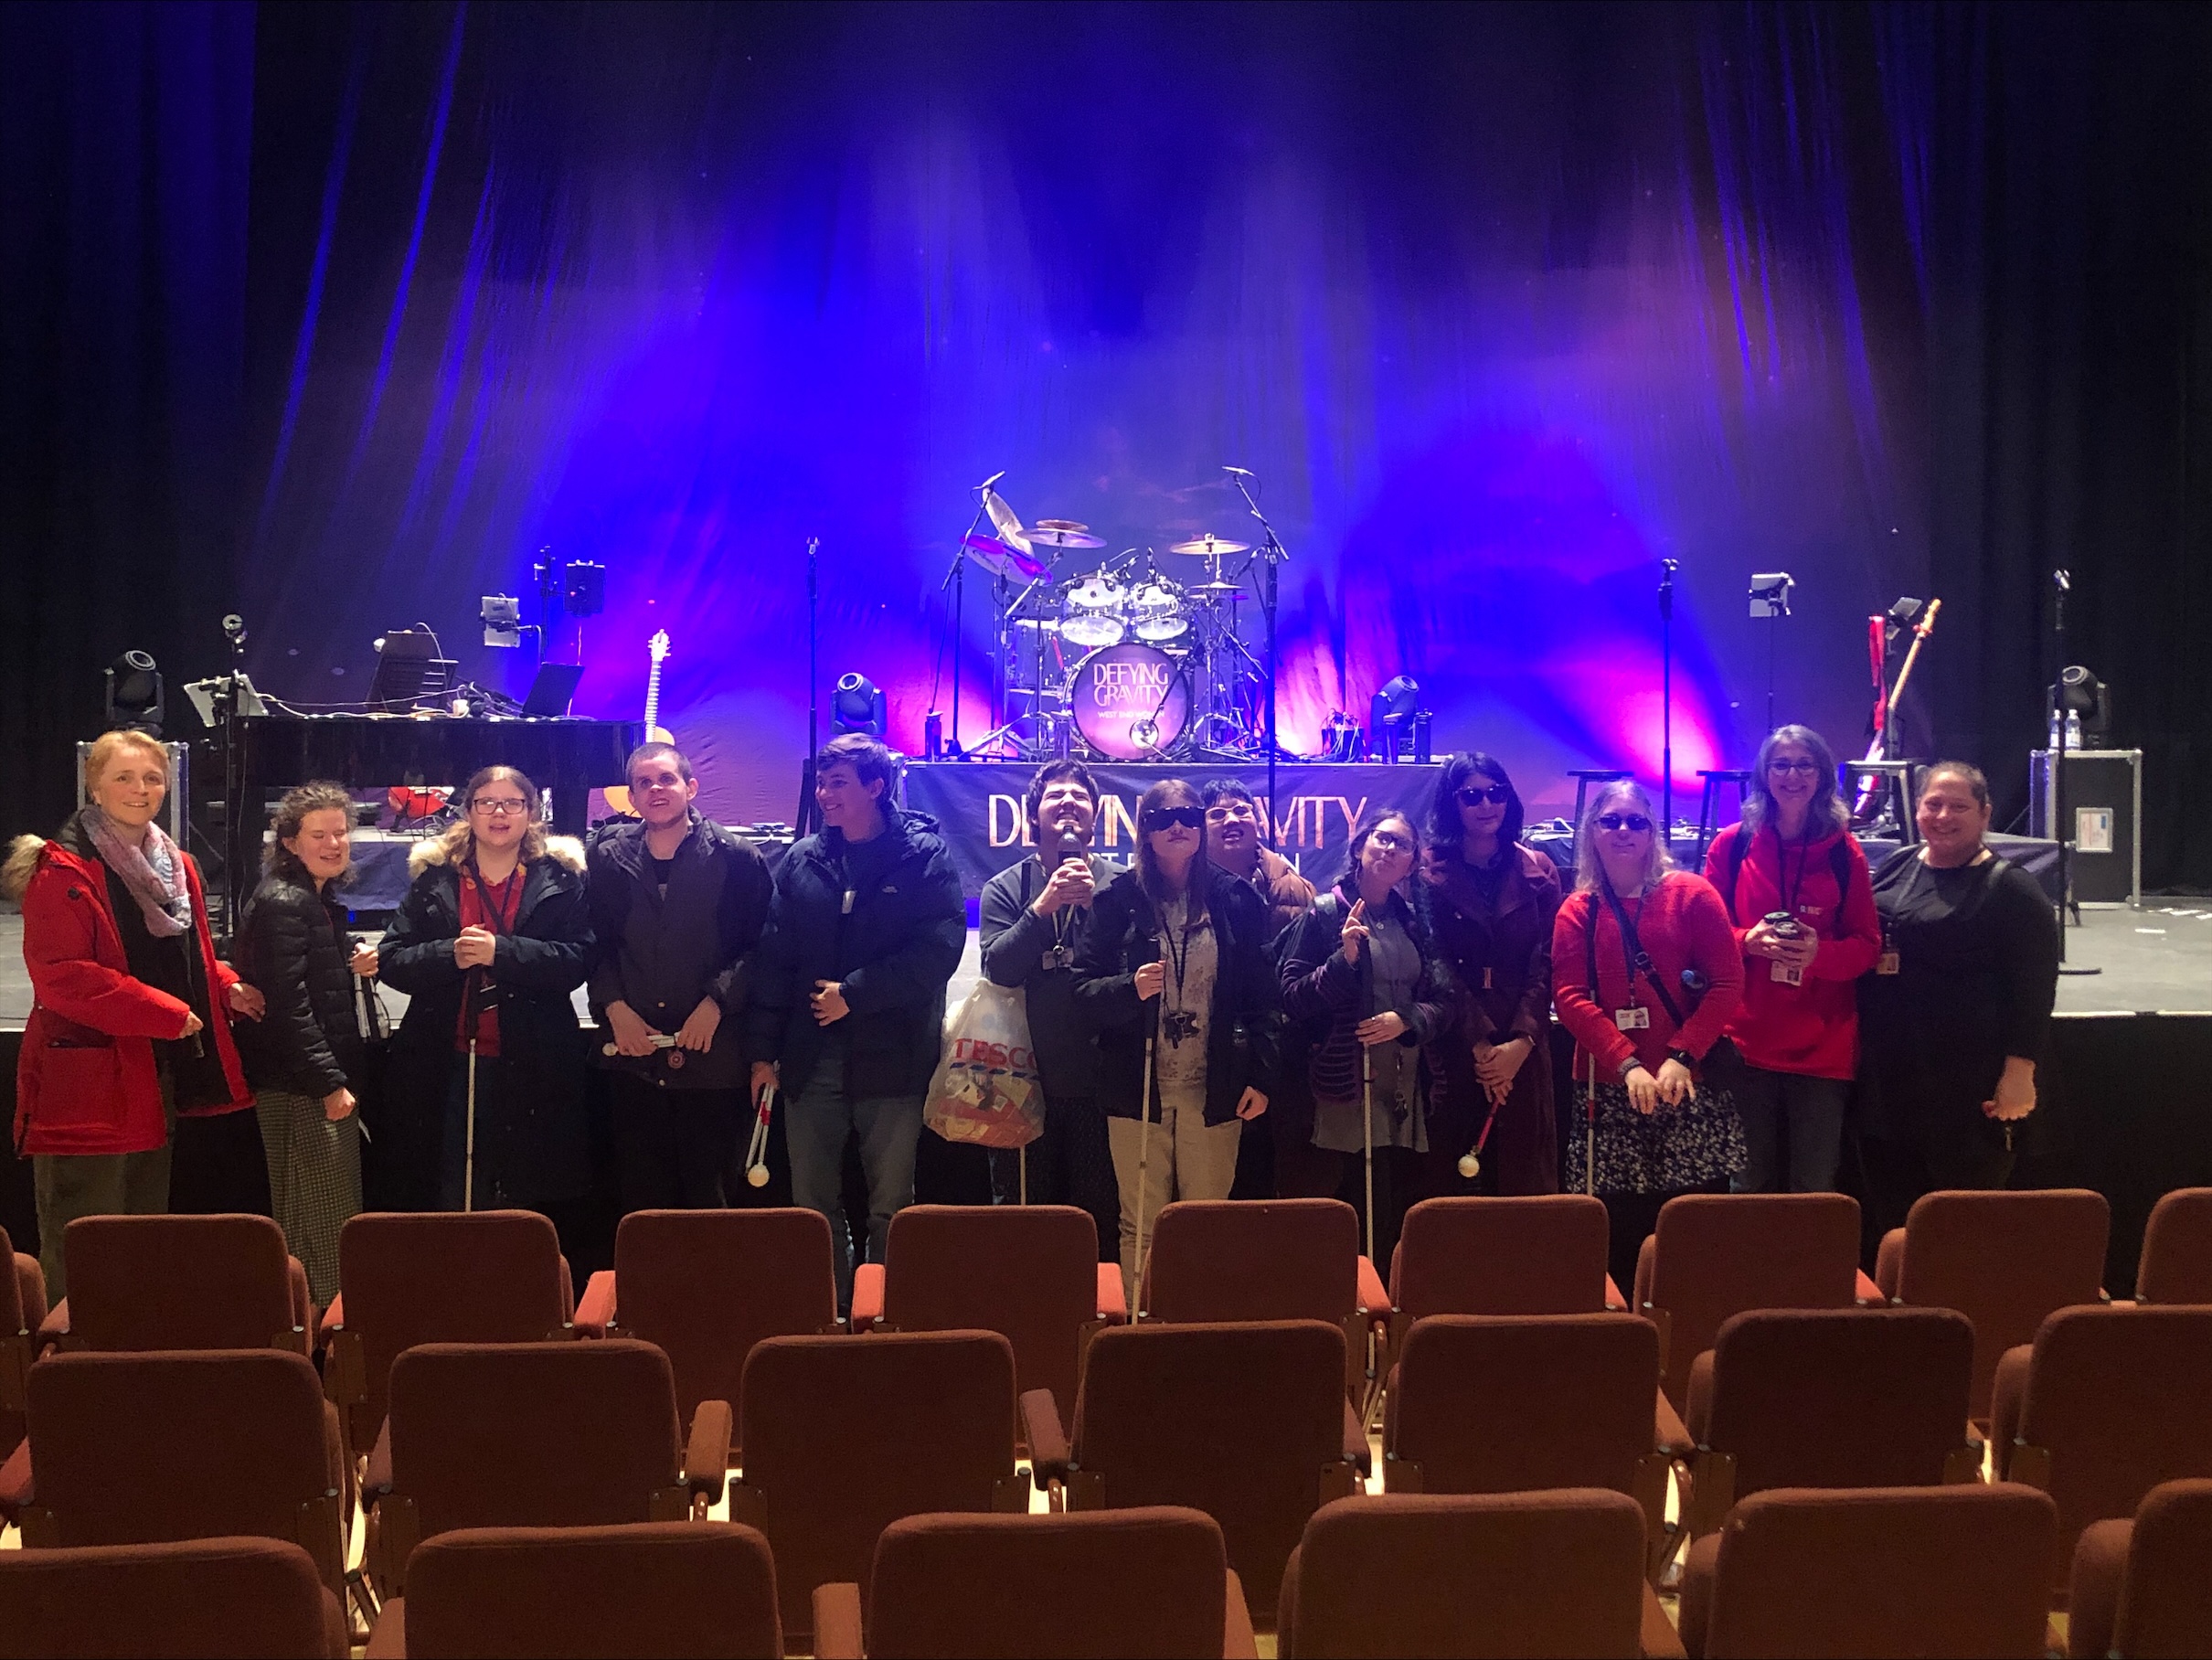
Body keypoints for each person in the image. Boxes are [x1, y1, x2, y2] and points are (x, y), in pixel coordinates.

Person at [4, 730, 263, 1298]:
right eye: (123, 777)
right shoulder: (61, 870)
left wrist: (226, 983)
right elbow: (65, 979)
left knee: (142, 1236)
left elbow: (185, 956)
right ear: (94, 786)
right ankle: (72, 1367)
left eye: (151, 777)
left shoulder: (176, 865)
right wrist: (165, 1012)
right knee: (85, 1244)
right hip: (88, 1084)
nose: (139, 789)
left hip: (154, 1073)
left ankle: (134, 1364)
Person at [746, 734, 964, 1308]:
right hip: (809, 1060)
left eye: (837, 783)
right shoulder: (802, 860)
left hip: (892, 1060)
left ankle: (886, 1321)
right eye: (821, 783)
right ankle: (827, 1321)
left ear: (876, 786)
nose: (823, 795)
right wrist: (763, 1054)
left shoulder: (924, 856)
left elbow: (938, 951)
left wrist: (856, 994)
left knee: (890, 1206)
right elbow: (775, 960)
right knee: (813, 1208)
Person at [1075, 778, 1278, 1303]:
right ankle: (1140, 1338)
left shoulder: (1235, 899)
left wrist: (1261, 1074)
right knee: (1139, 1223)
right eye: (1165, 818)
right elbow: (1080, 993)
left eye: (1189, 815)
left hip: (1215, 1087)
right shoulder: (1116, 900)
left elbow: (1264, 998)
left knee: (1204, 1221)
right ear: (1145, 830)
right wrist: (1129, 988)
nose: (1179, 826)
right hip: (1137, 1086)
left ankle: (1199, 1332)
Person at [1855, 761, 2058, 1247]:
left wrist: (2019, 1071)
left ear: (1985, 814)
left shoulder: (2012, 888)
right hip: (1890, 1080)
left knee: (1958, 1230)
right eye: (1933, 804)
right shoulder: (1900, 863)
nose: (1943, 815)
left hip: (1966, 1090)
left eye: (1959, 806)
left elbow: (2034, 989)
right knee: (1894, 1225)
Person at [1552, 780, 1747, 1290]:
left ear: (1652, 831)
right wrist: (1628, 1063)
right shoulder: (1578, 909)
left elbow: (1727, 982)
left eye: (1635, 821)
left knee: (1692, 1234)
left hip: (1687, 1086)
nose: (1623, 831)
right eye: (1610, 821)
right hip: (1611, 1090)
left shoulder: (1692, 894)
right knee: (1618, 1234)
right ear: (1591, 832)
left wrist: (1682, 1055)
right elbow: (1570, 997)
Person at [378, 766, 594, 1216]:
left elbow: (577, 962)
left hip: (535, 1060)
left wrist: (502, 952)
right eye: (487, 803)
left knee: (524, 1194)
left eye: (513, 803)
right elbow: (393, 960)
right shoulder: (433, 879)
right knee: (453, 1188)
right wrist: (448, 955)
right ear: (469, 812)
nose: (500, 813)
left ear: (531, 813)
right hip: (447, 1059)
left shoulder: (562, 880)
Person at [588, 742, 773, 1212]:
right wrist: (615, 1008)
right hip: (635, 1055)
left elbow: (762, 947)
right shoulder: (607, 859)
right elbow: (594, 945)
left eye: (666, 779)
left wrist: (716, 1003)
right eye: (644, 783)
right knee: (642, 1201)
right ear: (630, 796)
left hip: (712, 1059)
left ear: (690, 787)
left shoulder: (737, 857)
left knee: (709, 1201)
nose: (656, 789)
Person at [1701, 726, 1881, 1196]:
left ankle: (1808, 1274)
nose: (1793, 775)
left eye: (1805, 764)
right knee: (1746, 1186)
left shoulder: (1846, 853)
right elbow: (1703, 937)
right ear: (1764, 774)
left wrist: (1819, 954)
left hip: (1822, 1049)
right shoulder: (1732, 845)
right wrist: (1746, 940)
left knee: (1814, 1190)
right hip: (1746, 1043)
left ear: (1823, 776)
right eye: (1781, 764)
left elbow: (1867, 945)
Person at [1279, 809, 1451, 1269]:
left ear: (1413, 863)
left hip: (1401, 1085)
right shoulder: (1323, 913)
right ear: (1359, 848)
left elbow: (1446, 1000)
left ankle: (1378, 1313)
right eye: (1382, 839)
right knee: (1336, 1213)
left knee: (1387, 1209)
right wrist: (1344, 960)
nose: (1391, 849)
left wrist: (1408, 1019)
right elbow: (1290, 1000)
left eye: (1403, 844)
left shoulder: (1414, 921)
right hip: (1341, 1086)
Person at [235, 782, 380, 1306]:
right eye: (319, 834)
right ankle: (320, 1346)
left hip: (310, 1083)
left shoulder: (313, 901)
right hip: (301, 1089)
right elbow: (287, 1007)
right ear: (291, 842)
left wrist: (349, 958)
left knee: (321, 1219)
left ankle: (318, 1340)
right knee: (319, 1224)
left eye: (341, 833)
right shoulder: (284, 904)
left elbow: (308, 983)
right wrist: (329, 1082)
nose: (334, 843)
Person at [976, 759, 1121, 1257]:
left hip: (1100, 1085)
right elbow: (999, 968)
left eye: (1079, 797)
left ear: (1096, 815)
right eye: (1055, 796)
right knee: (1025, 1222)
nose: (1067, 804)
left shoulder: (1121, 885)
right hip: (1021, 1084)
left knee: (1099, 1218)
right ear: (1032, 814)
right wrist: (1044, 907)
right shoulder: (1006, 888)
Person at [1422, 751, 1563, 1196]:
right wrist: (1481, 1044)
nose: (1487, 805)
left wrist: (1520, 1043)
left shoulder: (1538, 870)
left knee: (1523, 1183)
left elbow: (1547, 962)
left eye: (1496, 793)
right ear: (1453, 804)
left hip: (1524, 1043)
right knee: (1456, 1184)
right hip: (1457, 1042)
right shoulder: (1428, 871)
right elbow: (1433, 960)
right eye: (1472, 796)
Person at [1200, 779, 1315, 943]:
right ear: (1201, 829)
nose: (1231, 820)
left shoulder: (1295, 889)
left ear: (1258, 821)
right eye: (1217, 814)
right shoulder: (1186, 887)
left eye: (1240, 810)